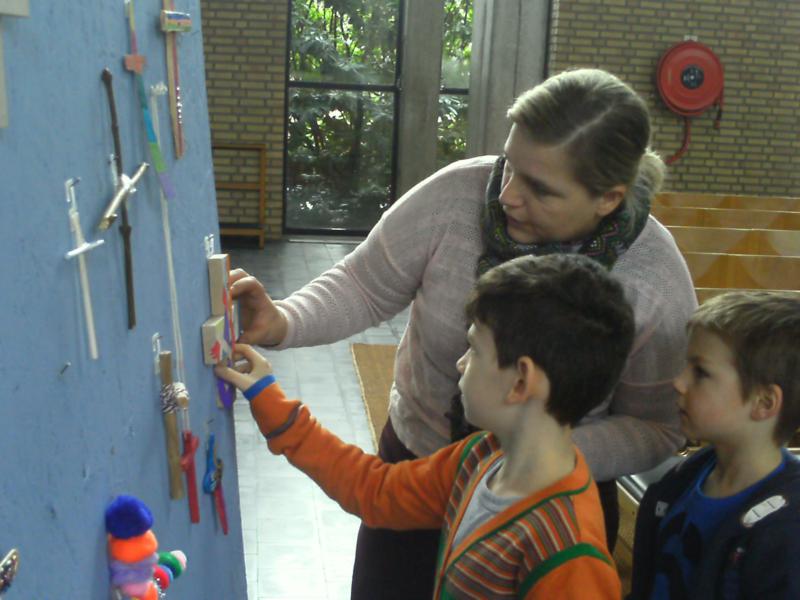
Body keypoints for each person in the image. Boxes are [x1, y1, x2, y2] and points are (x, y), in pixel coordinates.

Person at [230, 68, 697, 599]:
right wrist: (283, 321)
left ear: (608, 199)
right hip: (425, 457)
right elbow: (364, 283)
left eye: (540, 188)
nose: (507, 198)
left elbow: (657, 429)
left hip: (545, 492)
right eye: (509, 167)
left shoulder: (655, 281)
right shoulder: (459, 193)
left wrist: (525, 453)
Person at [217, 254, 635, 599]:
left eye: (473, 349)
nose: (460, 363)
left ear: (521, 382)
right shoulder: (482, 457)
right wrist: (270, 401)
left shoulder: (569, 554)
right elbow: (377, 492)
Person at [628, 291, 800, 599]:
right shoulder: (681, 480)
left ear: (763, 402)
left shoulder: (788, 529)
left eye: (701, 372)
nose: (678, 382)